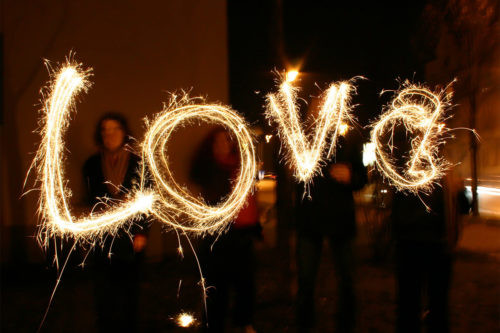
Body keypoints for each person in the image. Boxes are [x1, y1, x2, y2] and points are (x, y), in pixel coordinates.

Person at [83, 112, 148, 333]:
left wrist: (142, 232)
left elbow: (148, 200)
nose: (109, 134)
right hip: (102, 236)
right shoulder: (91, 165)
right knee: (103, 292)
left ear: (124, 132)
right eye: (105, 130)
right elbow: (90, 200)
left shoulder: (138, 164)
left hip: (130, 237)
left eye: (115, 129)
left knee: (129, 291)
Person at [295, 134, 367, 333]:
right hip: (310, 222)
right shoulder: (301, 144)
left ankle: (346, 326)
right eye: (316, 104)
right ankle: (304, 325)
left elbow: (362, 179)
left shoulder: (348, 145)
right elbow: (294, 177)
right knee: (306, 281)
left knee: (347, 281)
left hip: (341, 222)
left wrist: (351, 177)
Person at [191, 128, 259, 333]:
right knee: (216, 285)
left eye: (226, 141)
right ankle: (214, 325)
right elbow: (213, 198)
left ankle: (244, 321)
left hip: (242, 234)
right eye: (217, 141)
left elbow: (250, 199)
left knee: (246, 284)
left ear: (232, 144)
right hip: (218, 236)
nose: (222, 145)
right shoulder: (208, 168)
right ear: (210, 146)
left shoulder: (240, 165)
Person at [392, 171, 470, 333]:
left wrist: (461, 191)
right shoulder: (406, 174)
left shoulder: (446, 174)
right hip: (411, 246)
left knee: (438, 307)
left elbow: (464, 207)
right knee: (409, 305)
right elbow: (398, 212)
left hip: (439, 248)